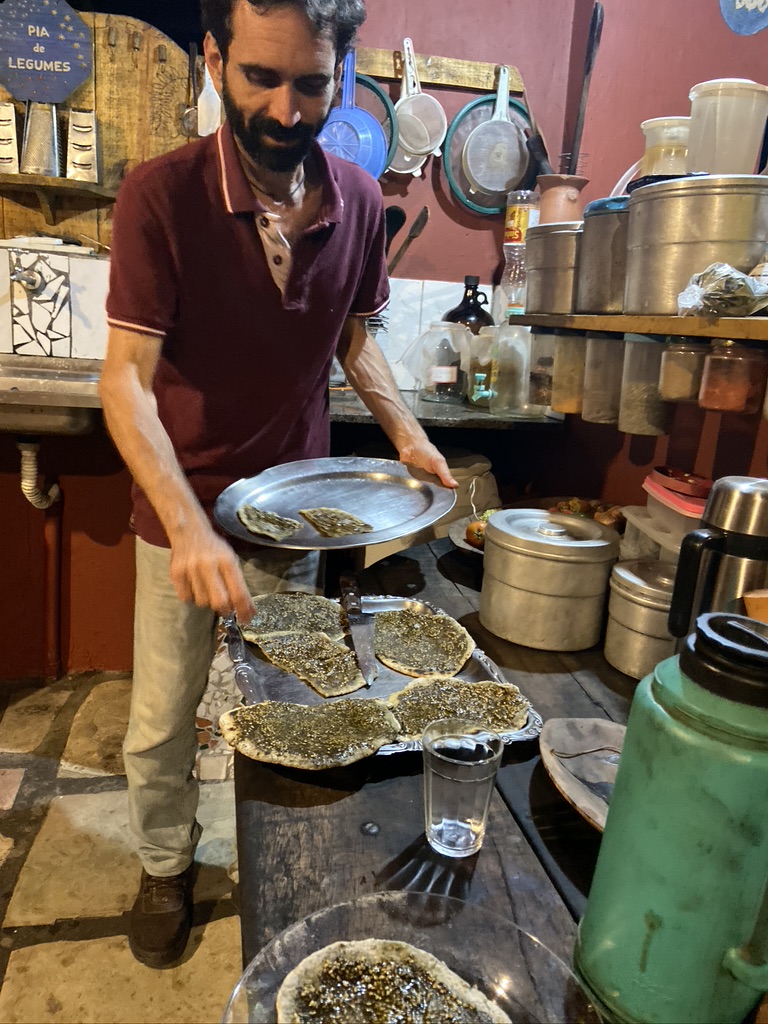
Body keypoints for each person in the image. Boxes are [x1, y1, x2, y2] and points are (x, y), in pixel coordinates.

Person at [99, 0, 457, 968]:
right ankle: (167, 864)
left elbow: (354, 338)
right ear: (213, 58)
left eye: (311, 82)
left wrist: (409, 433)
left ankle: (290, 857)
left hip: (295, 511)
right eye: (260, 77)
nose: (287, 110)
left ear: (341, 73)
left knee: (293, 699)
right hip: (179, 508)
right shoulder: (159, 196)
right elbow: (124, 383)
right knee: (164, 714)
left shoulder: (357, 200)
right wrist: (190, 528)